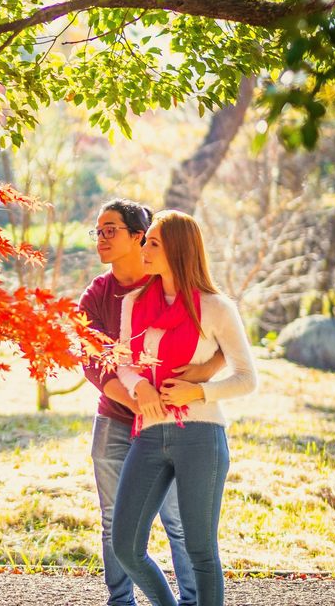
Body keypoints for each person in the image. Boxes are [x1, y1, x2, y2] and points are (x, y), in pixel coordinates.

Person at [110, 210, 258, 606]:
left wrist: (198, 393)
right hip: (149, 433)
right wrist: (140, 385)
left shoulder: (216, 308)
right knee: (125, 546)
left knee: (200, 551)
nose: (144, 248)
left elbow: (247, 378)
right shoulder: (133, 303)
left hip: (200, 436)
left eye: (153, 242)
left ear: (177, 250)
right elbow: (124, 363)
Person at [80, 200, 221, 606]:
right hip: (115, 420)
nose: (101, 239)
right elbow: (92, 360)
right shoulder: (98, 294)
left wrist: (193, 382)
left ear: (137, 236)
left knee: (178, 524)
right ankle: (121, 601)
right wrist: (136, 400)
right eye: (98, 231)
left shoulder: (169, 281)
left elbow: (220, 342)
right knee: (113, 524)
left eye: (110, 230)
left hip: (172, 426)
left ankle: (191, 600)